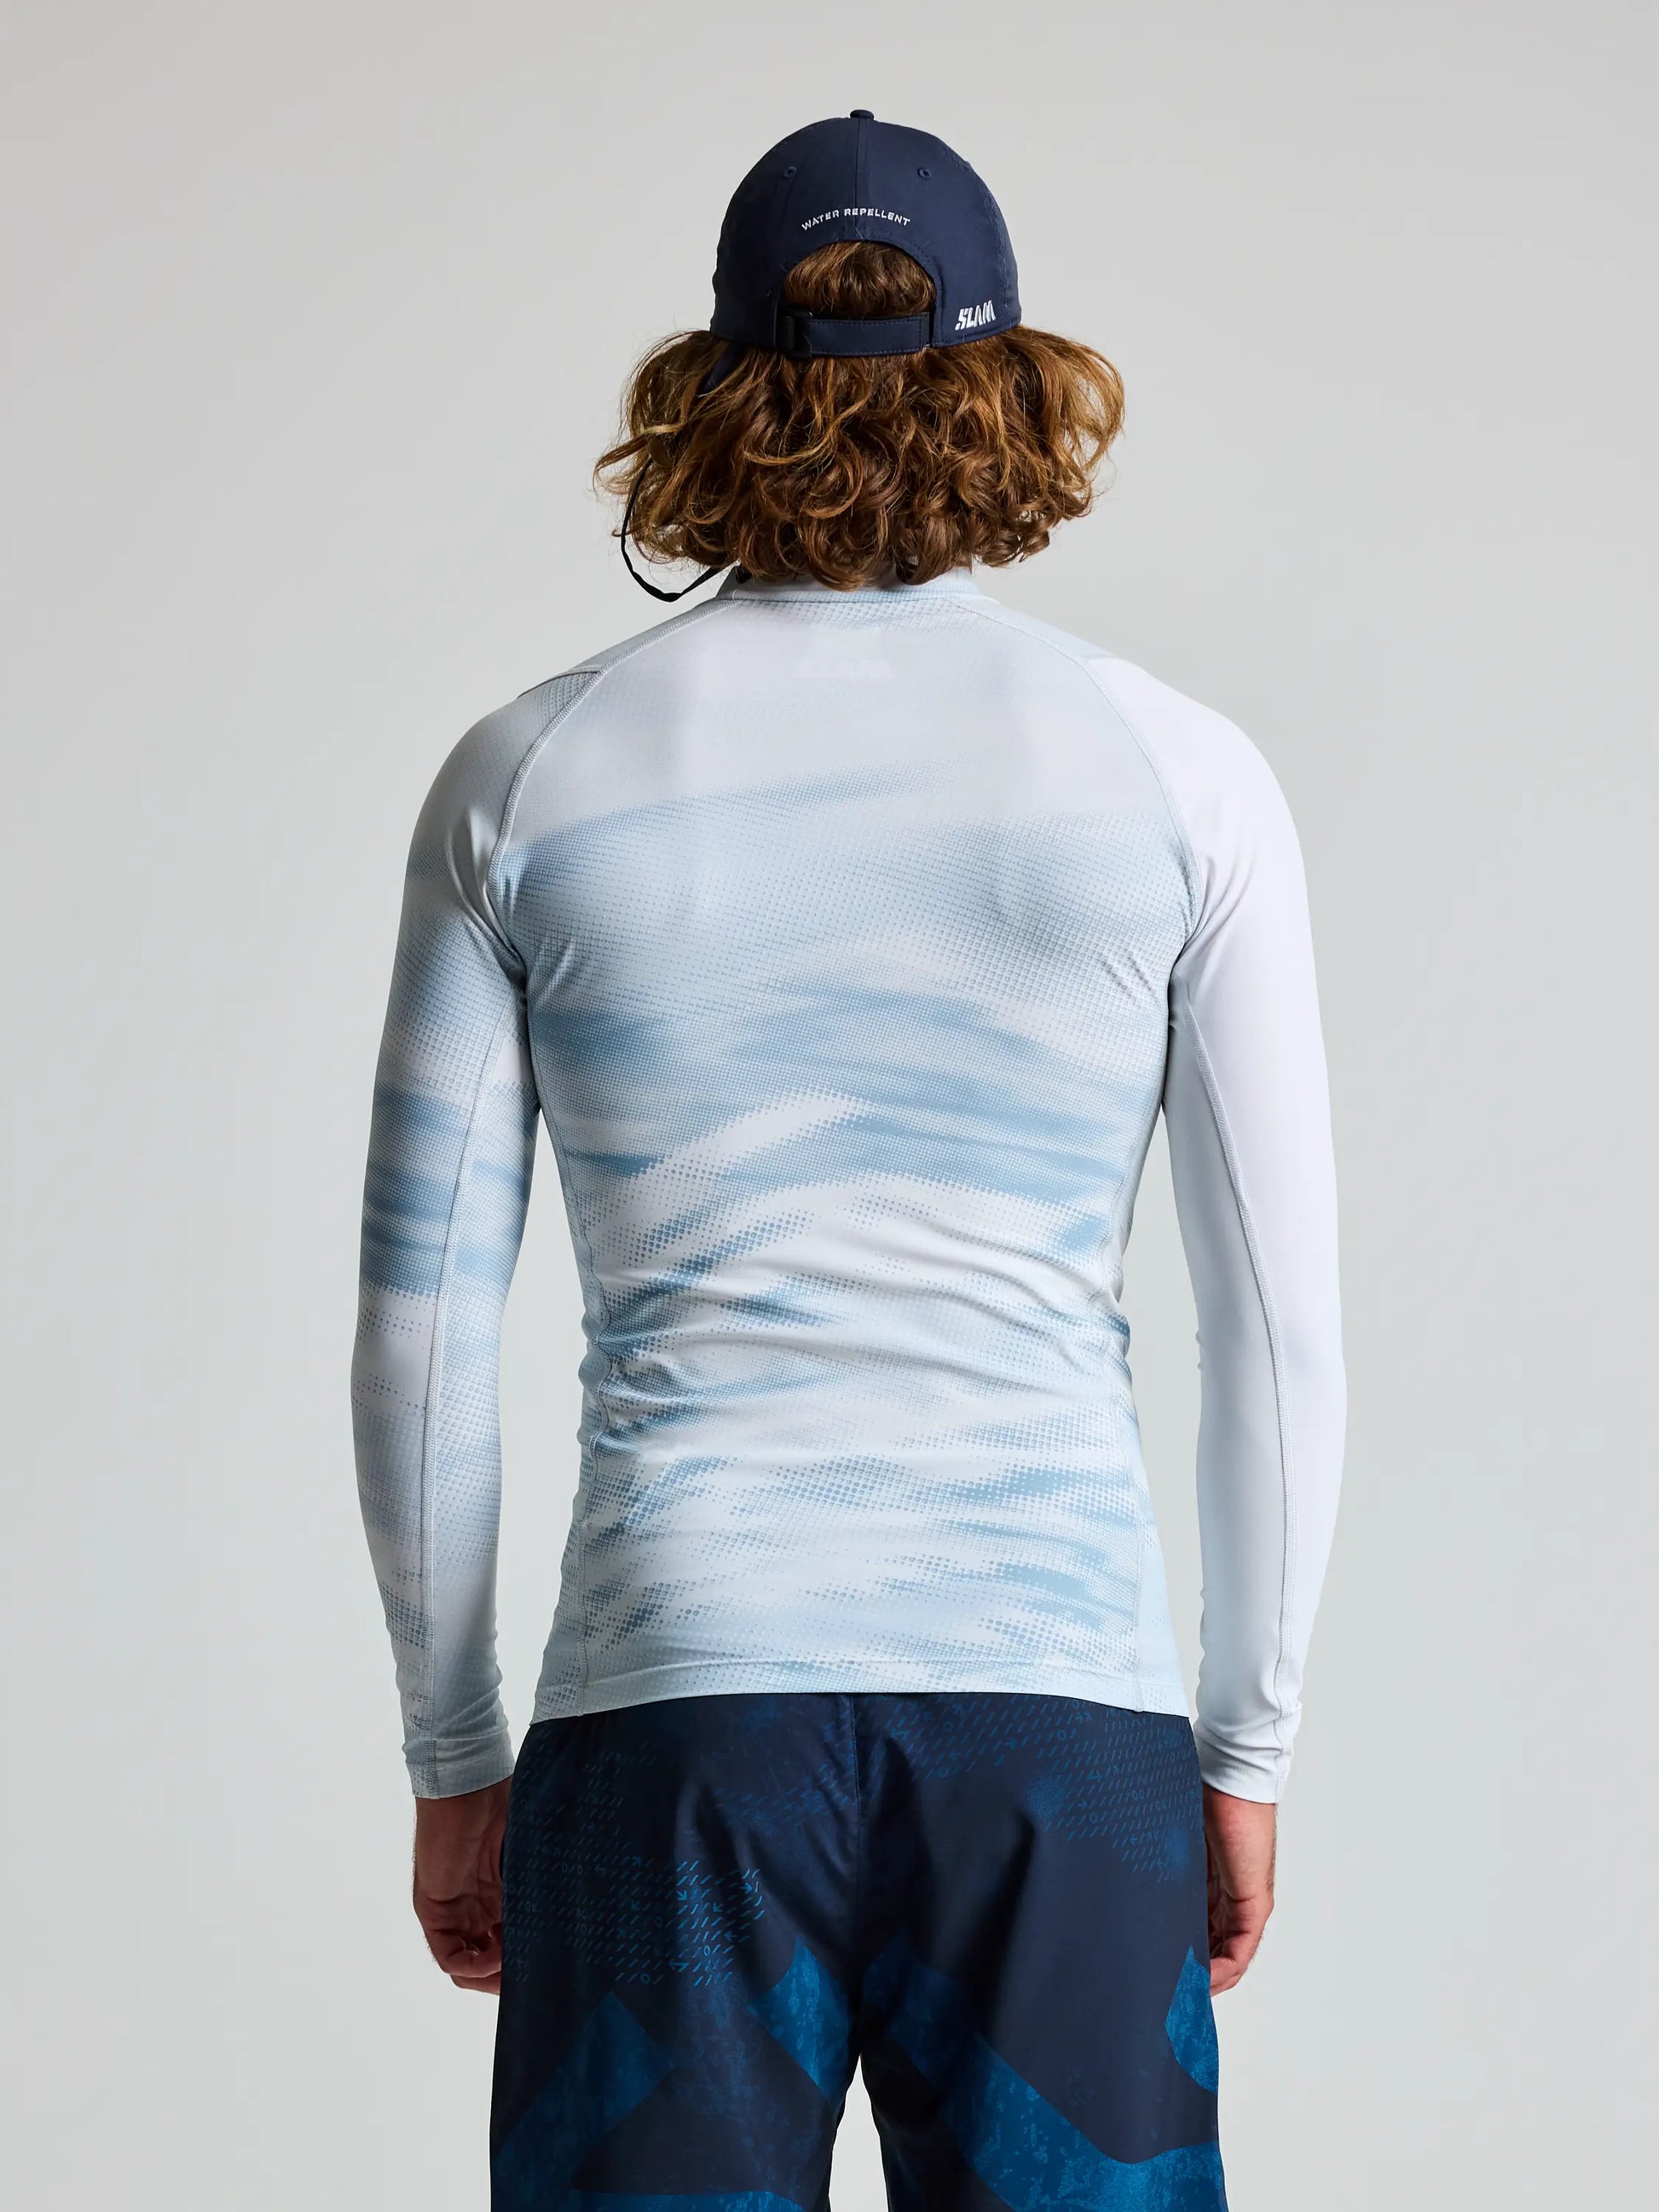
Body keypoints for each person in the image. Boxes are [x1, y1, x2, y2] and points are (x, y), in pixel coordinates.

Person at [351, 110, 1344, 2211]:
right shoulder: (1179, 776)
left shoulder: (528, 773)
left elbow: (420, 1332)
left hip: (673, 1711)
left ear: (711, 390)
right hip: (1058, 1726)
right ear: (1013, 386)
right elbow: (1276, 1321)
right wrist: (1242, 1740)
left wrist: (452, 1753)